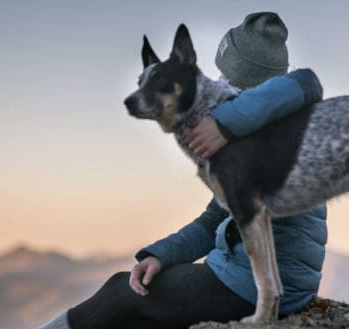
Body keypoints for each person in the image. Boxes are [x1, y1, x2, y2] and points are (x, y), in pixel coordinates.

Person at [39, 12, 327, 329]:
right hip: (249, 276)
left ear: (243, 82)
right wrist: (161, 255)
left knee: (121, 293)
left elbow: (306, 84)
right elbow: (213, 219)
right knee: (136, 313)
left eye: (223, 74)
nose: (218, 82)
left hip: (258, 286)